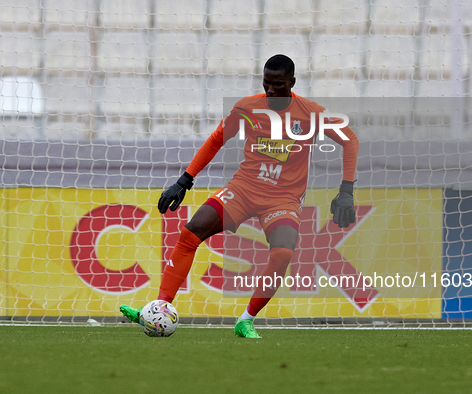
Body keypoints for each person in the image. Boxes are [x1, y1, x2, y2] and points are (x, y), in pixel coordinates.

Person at [121, 54, 359, 338]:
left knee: (283, 252)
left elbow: (349, 139)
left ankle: (246, 320)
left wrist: (346, 191)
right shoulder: (247, 107)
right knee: (190, 233)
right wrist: (184, 180)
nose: (270, 90)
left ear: (292, 83)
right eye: (266, 83)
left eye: (278, 85)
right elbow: (217, 139)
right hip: (244, 189)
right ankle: (159, 307)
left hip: (283, 199)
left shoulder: (310, 113)